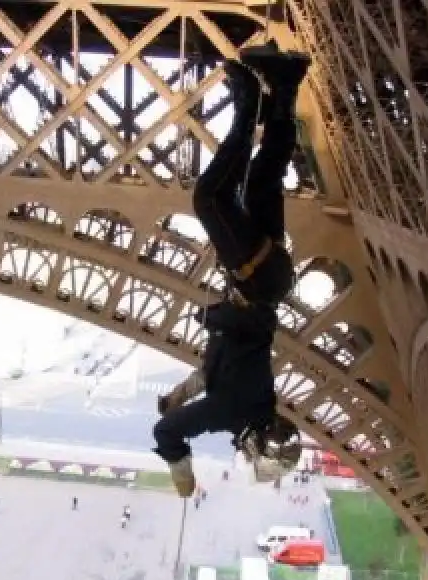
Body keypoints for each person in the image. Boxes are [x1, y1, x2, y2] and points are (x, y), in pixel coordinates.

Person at [152, 42, 309, 497]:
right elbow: (168, 434)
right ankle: (247, 105)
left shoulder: (252, 402)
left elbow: (216, 372)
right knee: (209, 200)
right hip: (254, 281)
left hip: (270, 278)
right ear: (255, 444)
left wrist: (182, 394)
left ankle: (286, 84)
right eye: (249, 454)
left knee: (263, 178)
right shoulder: (234, 413)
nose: (241, 452)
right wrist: (181, 474)